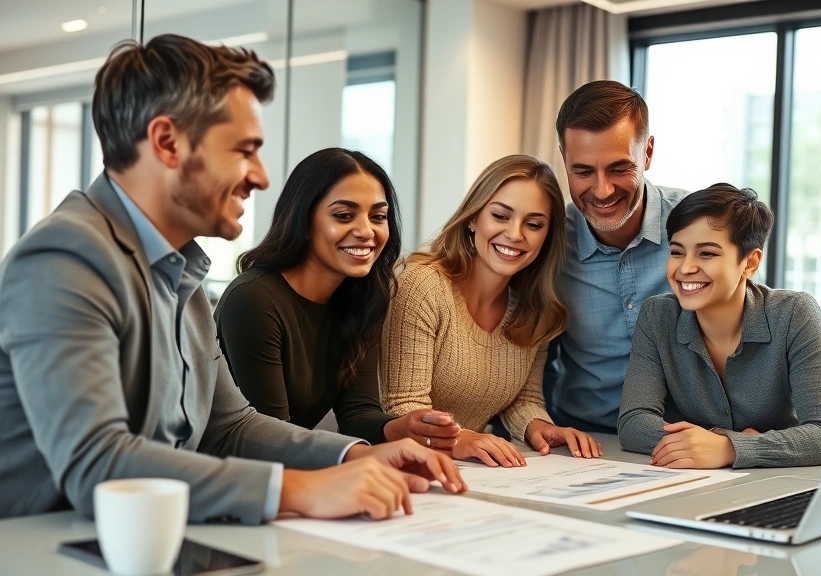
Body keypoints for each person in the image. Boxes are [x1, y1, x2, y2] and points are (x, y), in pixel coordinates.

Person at [0, 34, 465, 525]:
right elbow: (99, 463)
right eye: (244, 151)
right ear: (167, 142)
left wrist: (352, 455)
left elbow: (230, 427)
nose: (262, 177)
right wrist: (301, 488)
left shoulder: (183, 276)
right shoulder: (66, 259)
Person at [214, 147, 460, 448]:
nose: (366, 231)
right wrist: (355, 459)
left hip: (289, 464)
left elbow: (357, 414)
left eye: (378, 216)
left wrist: (403, 427)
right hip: (224, 475)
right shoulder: (253, 300)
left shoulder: (363, 297)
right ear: (303, 220)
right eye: (344, 215)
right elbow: (271, 435)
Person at [381, 155, 601, 467]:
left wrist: (540, 427)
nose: (515, 234)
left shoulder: (537, 311)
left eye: (534, 224)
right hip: (397, 466)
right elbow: (402, 405)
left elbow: (523, 399)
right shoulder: (423, 284)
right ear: (473, 218)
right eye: (500, 216)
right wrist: (460, 437)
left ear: (547, 237)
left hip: (467, 471)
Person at [618, 184, 821, 468]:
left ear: (749, 263)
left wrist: (728, 449)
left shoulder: (795, 314)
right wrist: (720, 440)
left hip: (778, 484)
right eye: (677, 252)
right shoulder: (657, 316)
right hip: (691, 484)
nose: (685, 268)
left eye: (707, 254)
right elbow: (633, 423)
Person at [544, 80, 687, 434]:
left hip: (689, 439)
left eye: (619, 168)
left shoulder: (700, 226)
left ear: (648, 153)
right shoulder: (547, 244)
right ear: (564, 159)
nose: (602, 190)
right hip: (583, 441)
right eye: (583, 171)